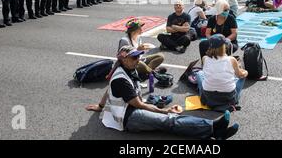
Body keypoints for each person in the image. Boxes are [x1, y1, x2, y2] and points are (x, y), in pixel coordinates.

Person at [88, 45, 239, 140]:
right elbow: (139, 104)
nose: (138, 59)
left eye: (138, 56)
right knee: (169, 120)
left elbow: (109, 91)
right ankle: (213, 129)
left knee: (172, 117)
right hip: (128, 118)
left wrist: (100, 106)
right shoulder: (121, 78)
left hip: (132, 109)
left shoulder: (128, 70)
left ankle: (213, 129)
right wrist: (164, 110)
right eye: (134, 57)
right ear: (124, 60)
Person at [196, 35, 248, 111]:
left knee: (199, 74)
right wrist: (245, 72)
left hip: (208, 98)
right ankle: (235, 100)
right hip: (228, 98)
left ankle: (206, 98)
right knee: (242, 75)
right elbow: (240, 75)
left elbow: (207, 70)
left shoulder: (205, 58)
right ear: (223, 47)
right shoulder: (231, 60)